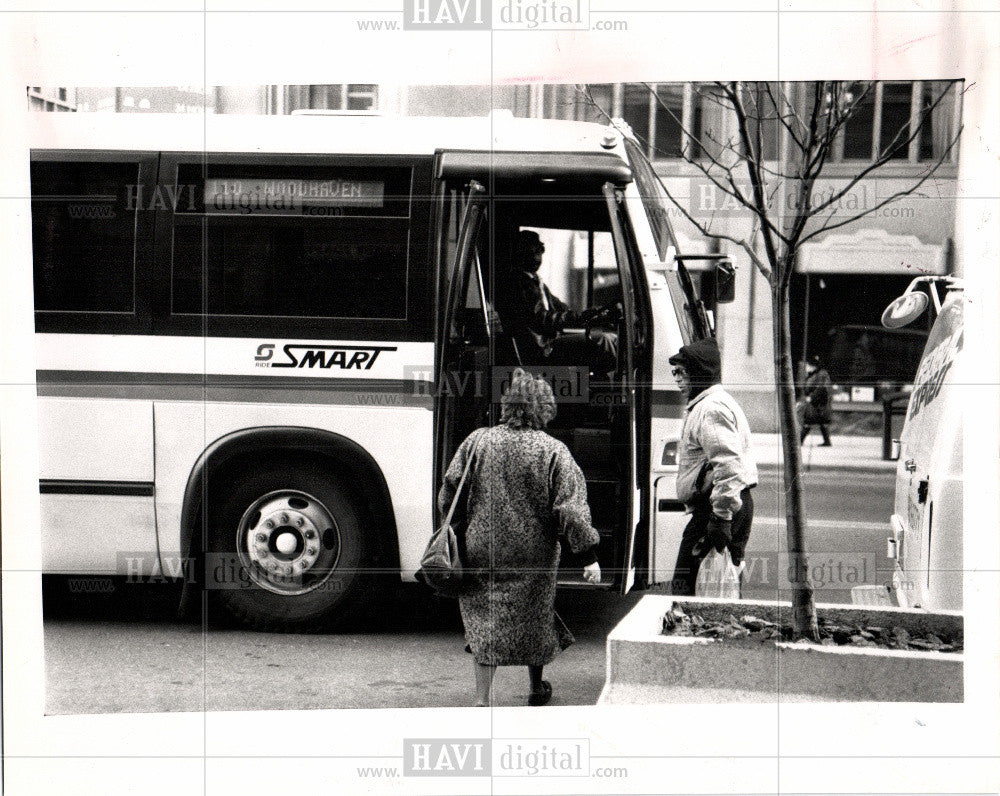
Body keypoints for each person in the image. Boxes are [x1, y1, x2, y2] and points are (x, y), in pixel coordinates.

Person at [438, 368, 600, 707]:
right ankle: (535, 688)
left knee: (486, 620)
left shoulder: (478, 441)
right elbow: (570, 510)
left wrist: (465, 526)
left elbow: (449, 491)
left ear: (509, 405)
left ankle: (483, 698)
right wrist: (587, 555)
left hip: (481, 548)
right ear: (543, 409)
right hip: (534, 554)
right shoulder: (553, 451)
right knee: (535, 616)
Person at [668, 338, 758, 596]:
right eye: (675, 372)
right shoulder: (710, 403)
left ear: (698, 373)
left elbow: (729, 468)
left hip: (719, 507)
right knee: (720, 586)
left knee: (686, 592)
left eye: (681, 373)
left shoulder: (711, 409)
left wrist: (720, 518)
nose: (676, 379)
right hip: (727, 504)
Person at [495, 230, 619, 377]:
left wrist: (594, 315)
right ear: (520, 254)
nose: (537, 257)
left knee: (610, 338)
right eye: (532, 252)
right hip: (541, 349)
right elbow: (542, 319)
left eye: (539, 251)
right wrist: (581, 316)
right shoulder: (519, 283)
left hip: (548, 343)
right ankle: (610, 391)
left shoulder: (535, 282)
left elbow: (562, 309)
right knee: (602, 341)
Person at [799, 355, 833, 446]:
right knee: (820, 422)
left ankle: (799, 441)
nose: (806, 368)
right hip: (817, 403)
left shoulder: (821, 375)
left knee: (808, 422)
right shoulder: (815, 375)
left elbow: (821, 388)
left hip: (818, 403)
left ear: (813, 366)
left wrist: (812, 397)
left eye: (807, 365)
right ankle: (827, 441)